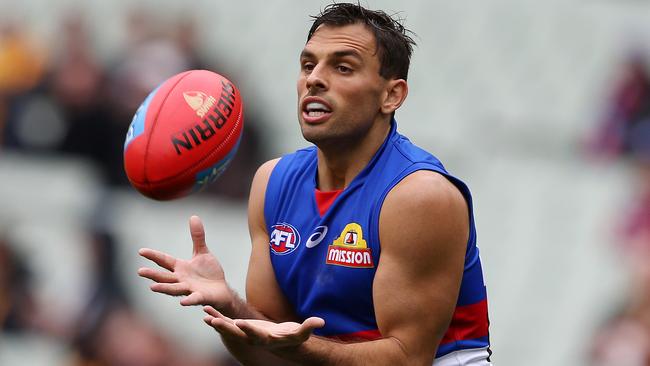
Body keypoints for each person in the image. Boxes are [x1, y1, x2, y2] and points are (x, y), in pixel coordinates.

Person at [138, 3, 491, 365]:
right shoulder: (272, 183)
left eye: (342, 67)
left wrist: (295, 346)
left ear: (392, 95)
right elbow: (270, 355)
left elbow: (406, 358)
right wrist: (228, 306)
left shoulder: (418, 195)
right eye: (308, 65)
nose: (314, 79)